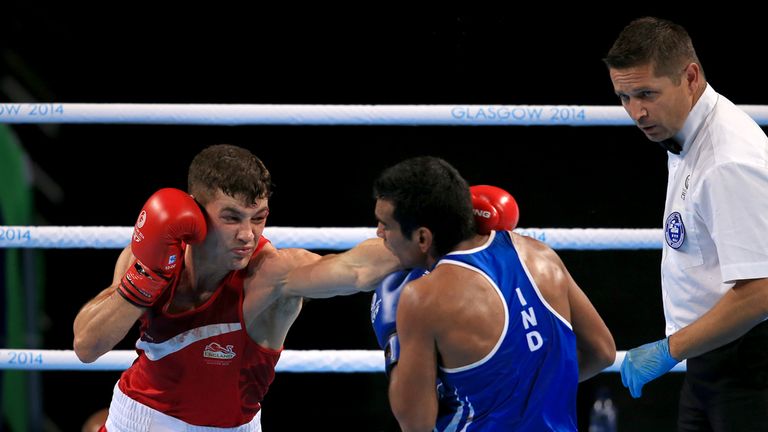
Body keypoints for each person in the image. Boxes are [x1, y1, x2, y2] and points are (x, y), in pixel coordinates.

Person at [72, 144, 400, 431]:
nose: (247, 235)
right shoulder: (153, 254)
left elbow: (356, 270)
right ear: (194, 212)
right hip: (136, 418)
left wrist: (426, 237)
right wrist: (146, 278)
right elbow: (87, 346)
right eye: (232, 218)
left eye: (258, 218)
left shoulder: (271, 273)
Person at [604, 17, 768, 431]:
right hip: (714, 357)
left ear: (690, 77)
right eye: (624, 97)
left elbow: (761, 292)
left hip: (750, 366)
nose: (636, 112)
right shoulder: (688, 133)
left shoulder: (727, 160)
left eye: (647, 94)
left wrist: (669, 349)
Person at [369, 156, 616, 431]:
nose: (379, 233)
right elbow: (603, 352)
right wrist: (530, 393)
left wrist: (395, 345)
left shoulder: (424, 297)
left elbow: (416, 424)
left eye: (385, 225)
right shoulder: (539, 254)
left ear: (423, 238)